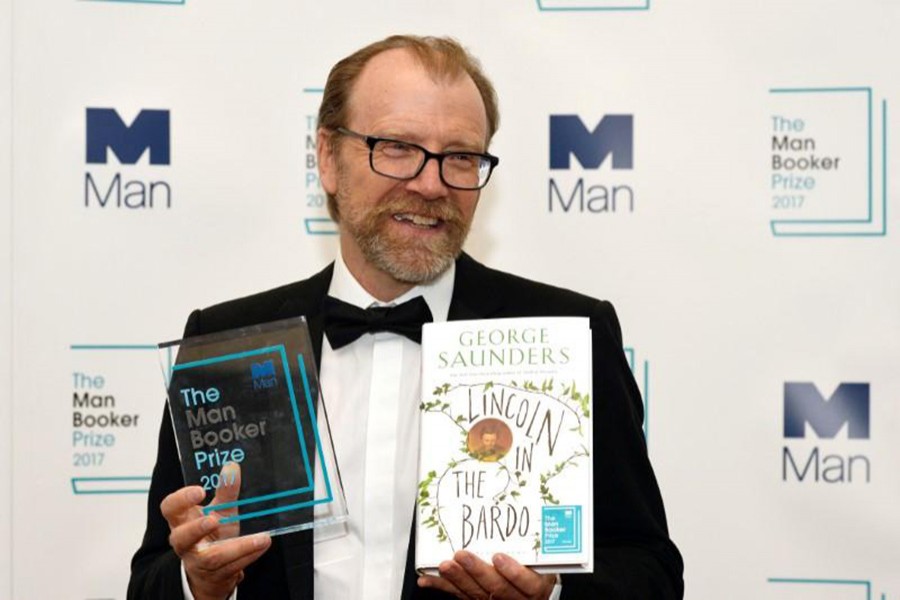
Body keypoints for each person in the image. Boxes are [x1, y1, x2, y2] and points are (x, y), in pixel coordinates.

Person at [128, 34, 684, 600]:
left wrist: (549, 595)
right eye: (396, 146)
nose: (430, 182)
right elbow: (151, 579)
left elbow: (650, 572)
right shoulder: (228, 343)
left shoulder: (568, 335)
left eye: (461, 156)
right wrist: (198, 581)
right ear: (327, 158)